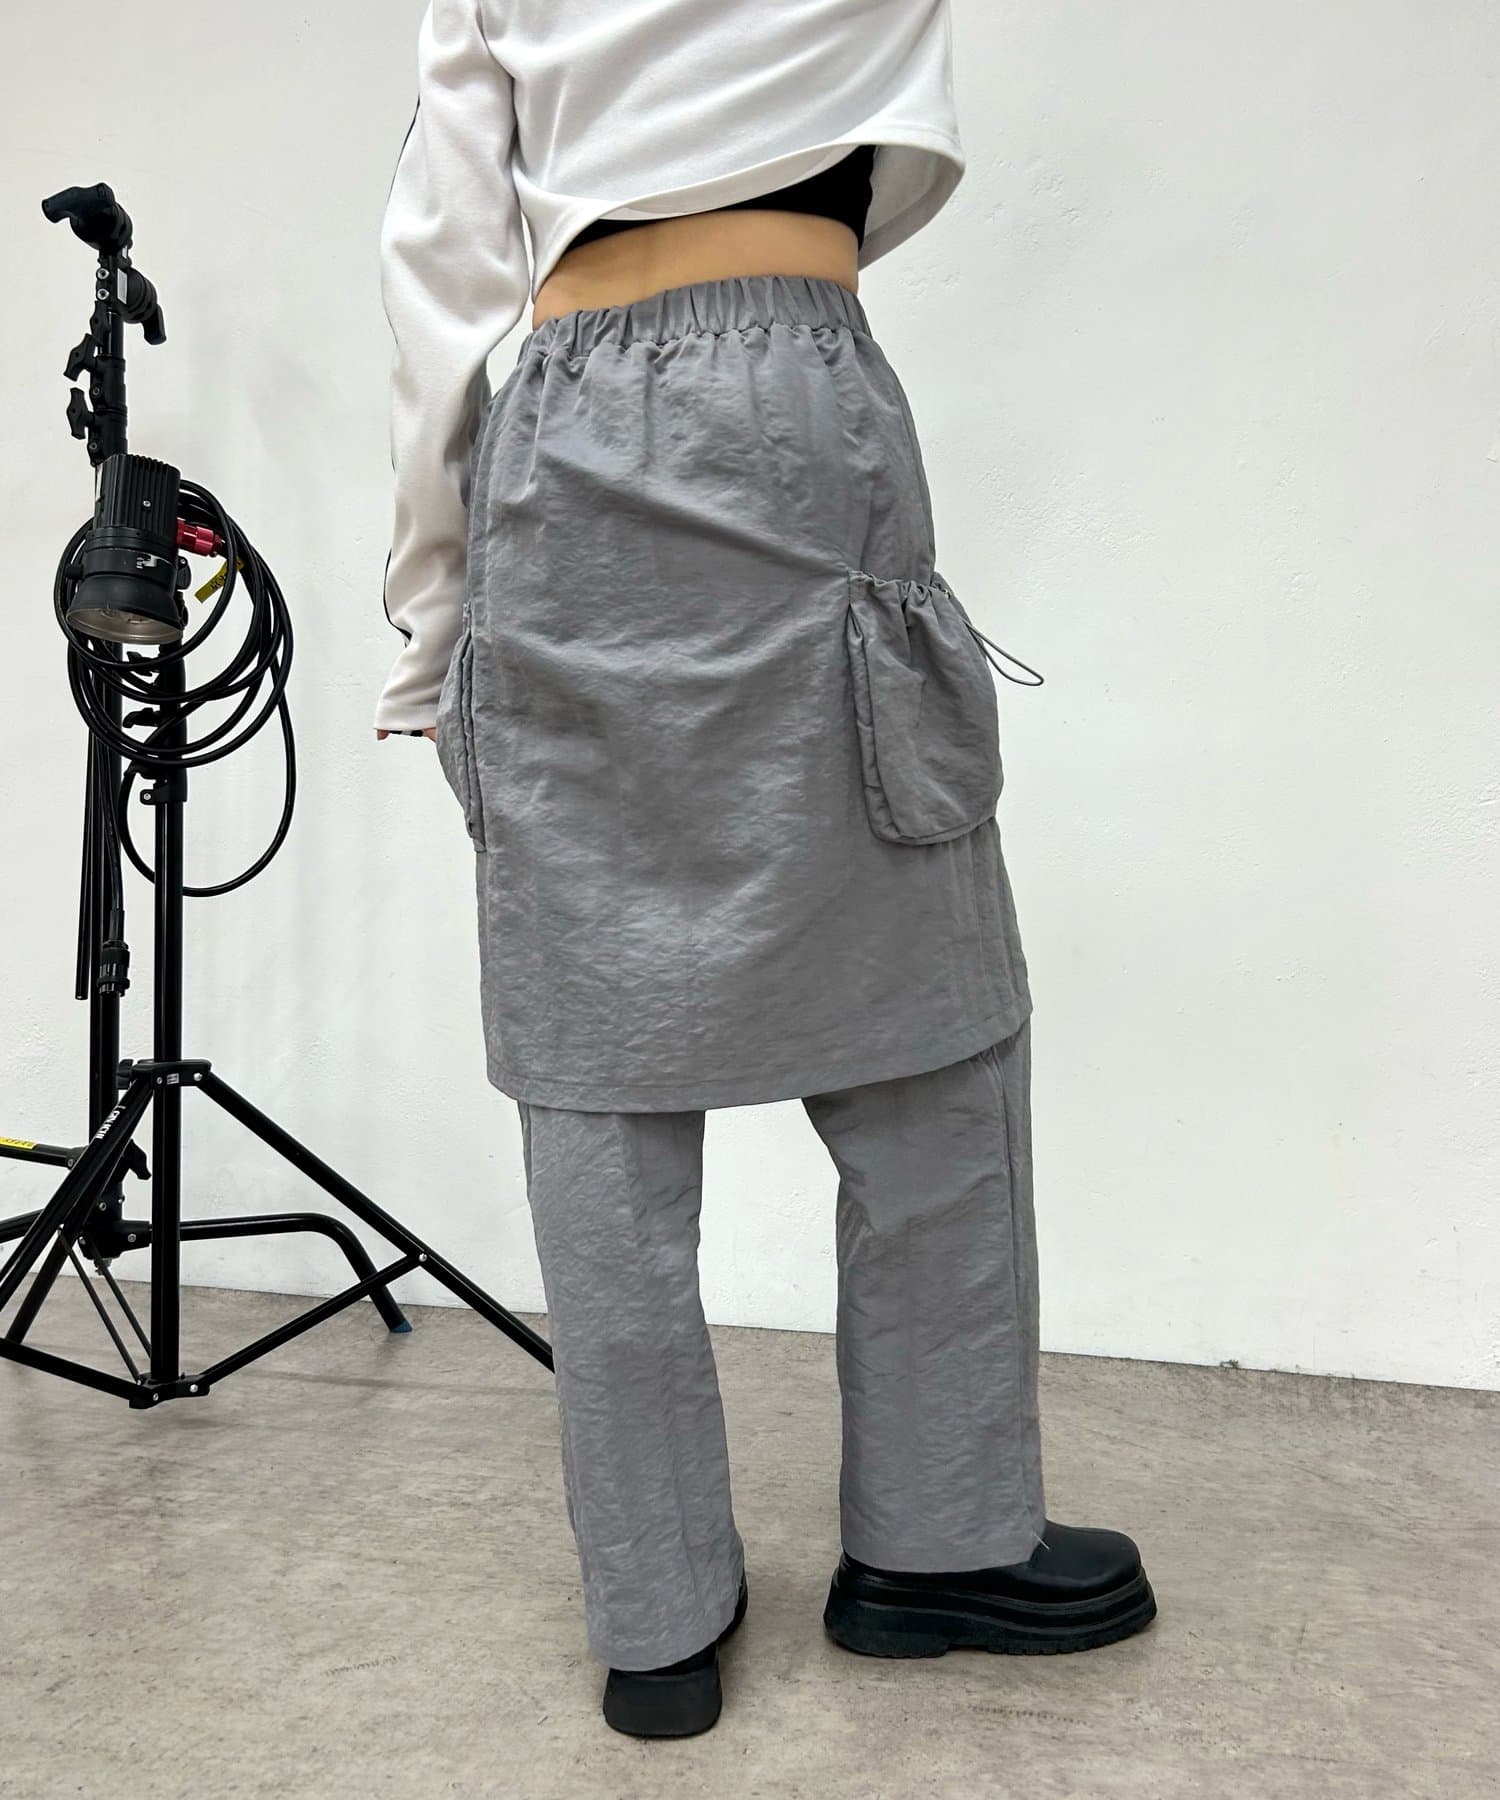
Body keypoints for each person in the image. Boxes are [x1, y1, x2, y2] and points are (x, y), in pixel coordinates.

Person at [373, 0, 1156, 1739]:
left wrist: (432, 621)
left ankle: (654, 1613)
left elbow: (442, 251)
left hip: (561, 427)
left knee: (597, 1051)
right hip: (798, 386)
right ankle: (942, 1544)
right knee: (932, 1026)